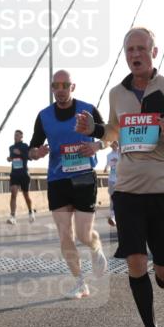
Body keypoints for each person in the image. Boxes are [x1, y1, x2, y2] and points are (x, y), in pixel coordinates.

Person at [76, 27, 164, 327]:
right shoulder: (117, 93)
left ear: (153, 53)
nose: (135, 55)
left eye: (141, 49)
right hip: (128, 189)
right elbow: (115, 129)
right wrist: (96, 131)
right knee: (136, 262)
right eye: (130, 50)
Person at [28, 70, 108, 300]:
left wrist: (96, 147)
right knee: (65, 235)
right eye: (56, 85)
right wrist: (37, 152)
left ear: (73, 87)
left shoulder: (88, 109)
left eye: (65, 85)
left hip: (84, 176)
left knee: (83, 234)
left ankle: (95, 247)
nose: (60, 89)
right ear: (52, 88)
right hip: (57, 179)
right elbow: (33, 148)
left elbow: (109, 135)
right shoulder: (44, 116)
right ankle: (80, 283)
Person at [6, 130, 34, 225]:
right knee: (13, 193)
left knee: (26, 196)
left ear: (21, 137)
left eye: (17, 135)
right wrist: (9, 159)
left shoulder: (25, 146)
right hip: (14, 173)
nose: (15, 136)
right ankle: (13, 216)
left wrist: (20, 153)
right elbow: (13, 158)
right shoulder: (11, 147)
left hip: (24, 174)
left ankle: (30, 211)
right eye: (15, 135)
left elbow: (29, 157)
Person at [104, 141, 120, 227]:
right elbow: (107, 165)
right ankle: (113, 218)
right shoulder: (109, 155)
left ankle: (121, 216)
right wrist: (105, 168)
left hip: (121, 180)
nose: (114, 145)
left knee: (122, 199)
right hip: (112, 179)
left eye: (115, 144)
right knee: (112, 199)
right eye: (113, 144)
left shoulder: (122, 154)